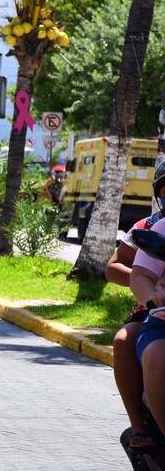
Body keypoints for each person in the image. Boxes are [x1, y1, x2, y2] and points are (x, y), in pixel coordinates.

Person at [112, 162, 165, 449]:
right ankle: (138, 424)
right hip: (154, 308)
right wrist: (149, 291)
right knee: (123, 341)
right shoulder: (147, 227)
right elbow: (116, 267)